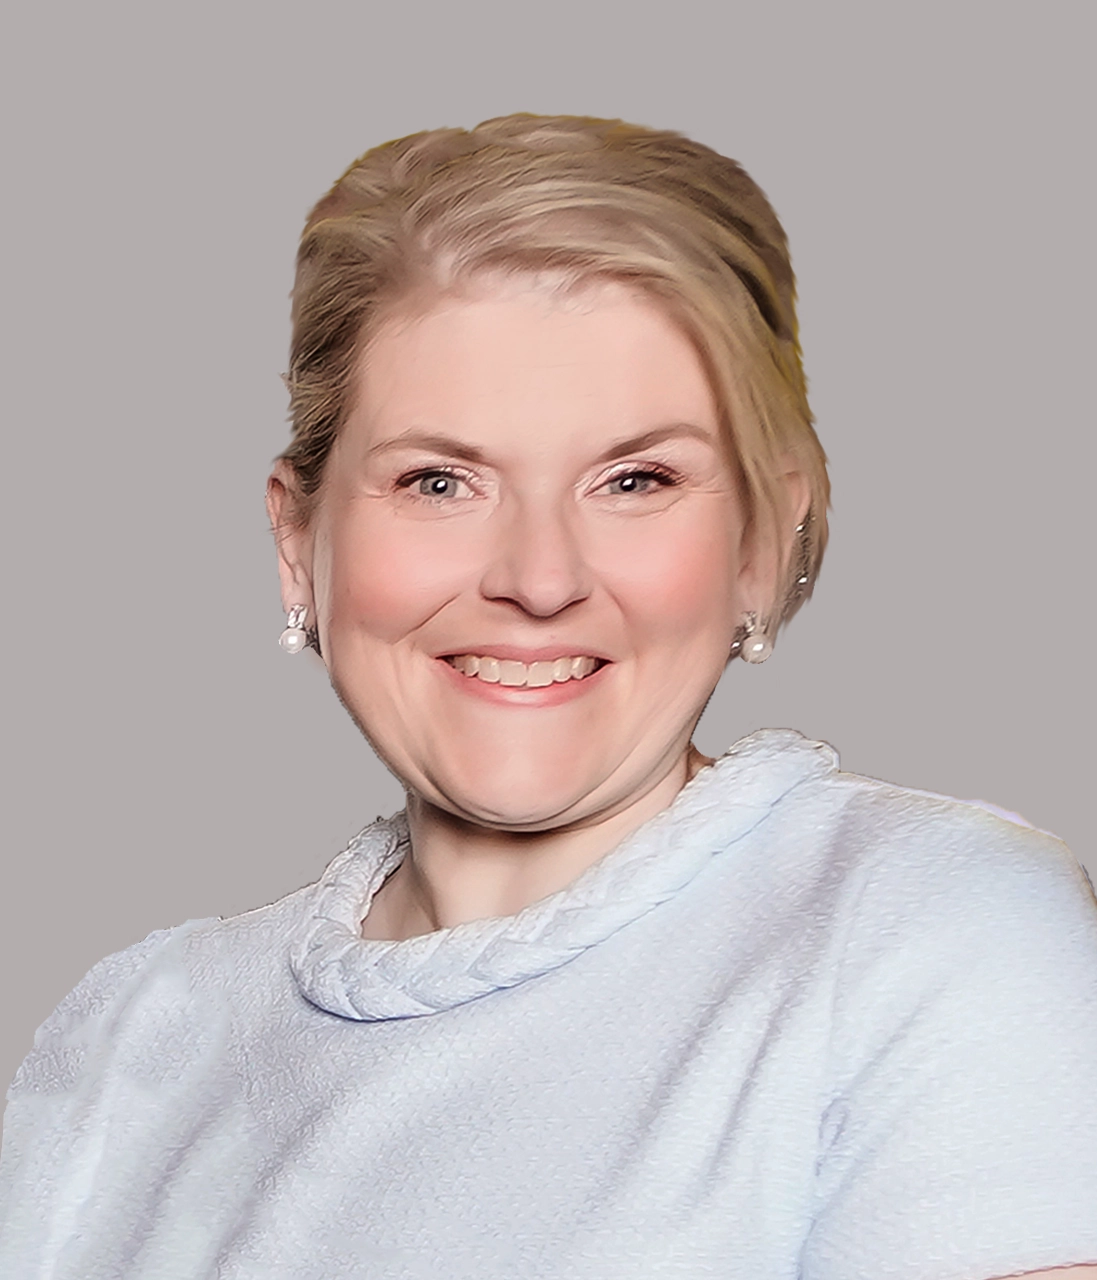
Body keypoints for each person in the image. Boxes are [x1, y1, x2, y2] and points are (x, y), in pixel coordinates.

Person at [1, 114, 1095, 1280]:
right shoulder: (135, 1025)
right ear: (296, 540)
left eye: (633, 479)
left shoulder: (924, 928)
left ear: (762, 543)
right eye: (438, 480)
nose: (537, 578)